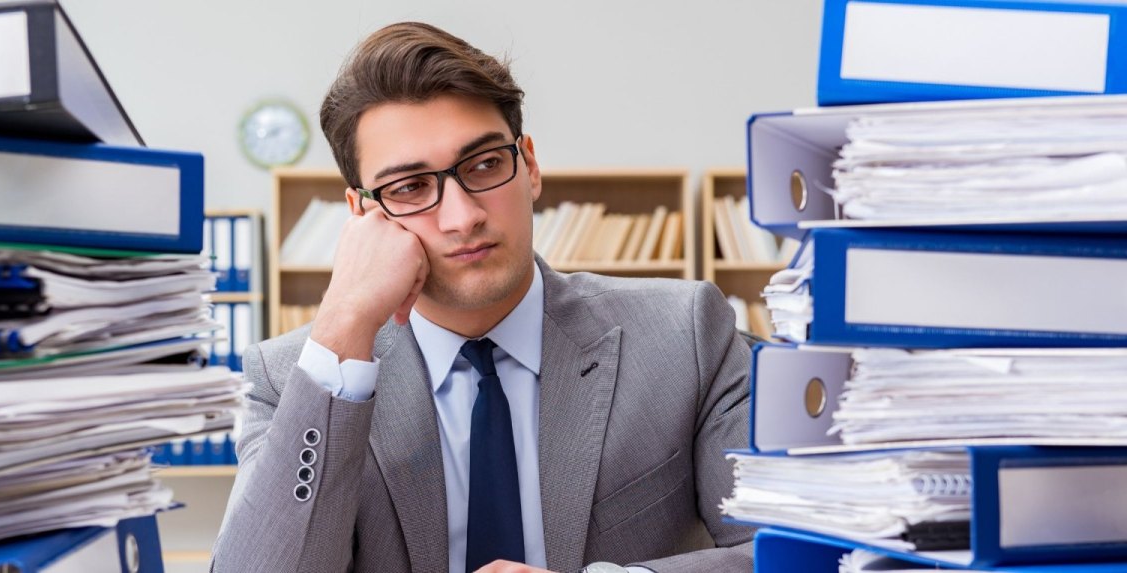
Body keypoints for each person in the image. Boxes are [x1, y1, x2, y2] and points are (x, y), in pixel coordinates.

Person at [212, 21, 755, 573]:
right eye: (409, 188)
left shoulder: (686, 334)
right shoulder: (289, 380)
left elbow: (798, 552)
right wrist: (346, 317)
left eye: (485, 164)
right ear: (362, 215)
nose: (463, 216)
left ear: (530, 165)